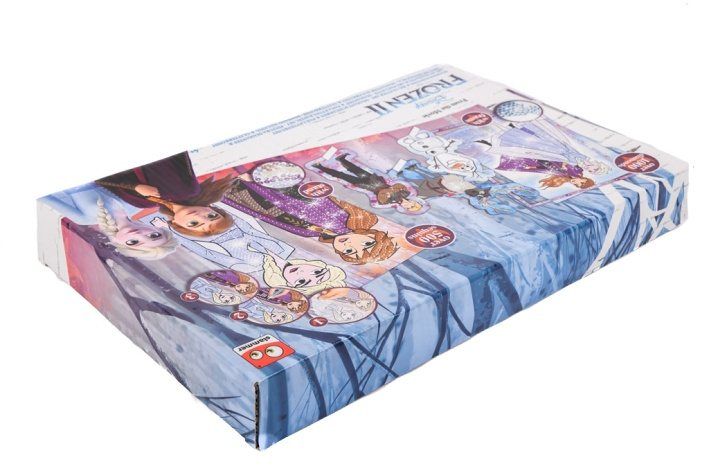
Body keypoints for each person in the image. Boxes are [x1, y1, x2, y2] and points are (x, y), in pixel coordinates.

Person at [222, 175, 398, 264]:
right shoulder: (341, 217)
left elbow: (270, 217)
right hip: (262, 185)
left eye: (351, 252)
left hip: (247, 198)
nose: (350, 245)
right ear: (370, 234)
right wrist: (259, 182)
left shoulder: (311, 233)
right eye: (366, 244)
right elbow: (301, 196)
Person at [96, 151, 235, 237]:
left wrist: (135, 186)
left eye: (194, 223)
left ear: (176, 224)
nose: (199, 216)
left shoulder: (143, 203)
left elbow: (102, 180)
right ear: (211, 208)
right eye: (211, 216)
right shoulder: (187, 189)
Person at [312, 152, 424, 212]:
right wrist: (390, 190)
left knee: (341, 175)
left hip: (367, 185)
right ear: (413, 201)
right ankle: (341, 159)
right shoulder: (405, 193)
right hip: (376, 180)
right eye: (413, 204)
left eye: (409, 207)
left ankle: (319, 166)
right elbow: (397, 185)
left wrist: (389, 191)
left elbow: (382, 195)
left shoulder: (389, 202)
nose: (408, 204)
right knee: (355, 169)